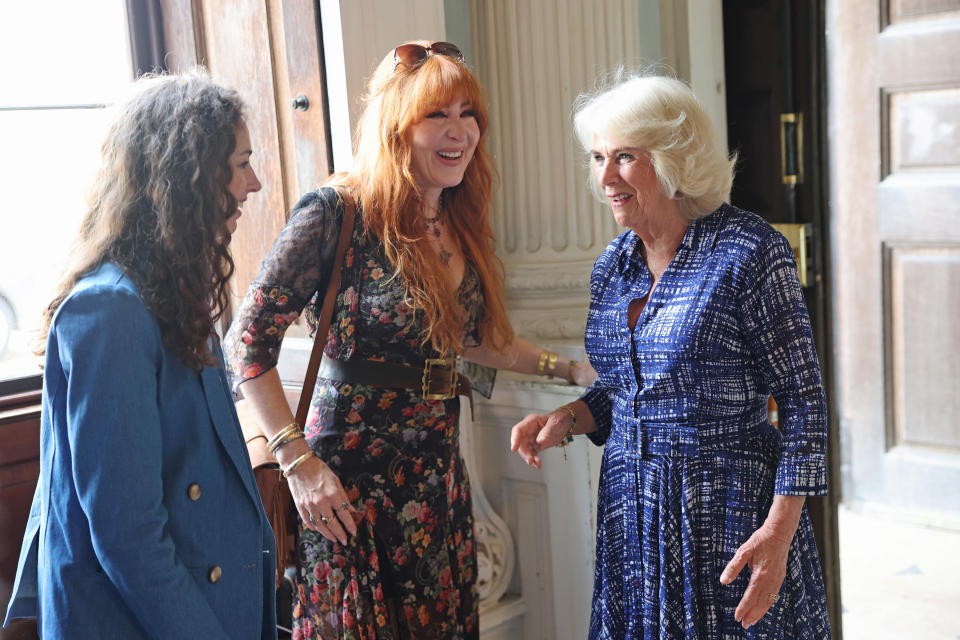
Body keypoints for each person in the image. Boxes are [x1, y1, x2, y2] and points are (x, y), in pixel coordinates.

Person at [224, 40, 596, 639]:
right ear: (398, 126)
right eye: (437, 115)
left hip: (436, 483)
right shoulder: (335, 213)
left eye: (468, 114)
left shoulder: (455, 219)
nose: (460, 132)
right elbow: (246, 343)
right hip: (347, 488)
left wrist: (570, 370)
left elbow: (472, 341)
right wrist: (297, 462)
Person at [510, 72, 831, 639]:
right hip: (631, 513)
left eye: (625, 157)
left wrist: (780, 531)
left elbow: (805, 402)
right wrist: (567, 420)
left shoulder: (749, 252)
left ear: (674, 159)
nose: (605, 177)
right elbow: (626, 391)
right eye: (597, 158)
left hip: (729, 512)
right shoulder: (614, 265)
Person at [3, 70, 276, 639]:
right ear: (189, 176)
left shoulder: (173, 294)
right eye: (242, 162)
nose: (254, 184)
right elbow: (129, 539)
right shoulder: (108, 312)